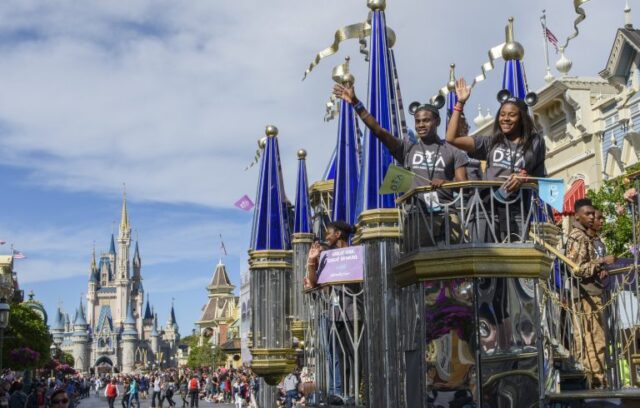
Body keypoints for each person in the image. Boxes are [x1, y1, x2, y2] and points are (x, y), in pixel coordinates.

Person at [333, 82, 468, 245]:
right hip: (417, 215)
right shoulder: (407, 148)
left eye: (426, 120)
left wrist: (445, 183)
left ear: (437, 121)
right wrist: (356, 103)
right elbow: (379, 131)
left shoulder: (452, 150)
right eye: (417, 121)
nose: (421, 125)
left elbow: (463, 183)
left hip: (447, 213)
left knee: (452, 263)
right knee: (418, 265)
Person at [446, 78, 546, 242]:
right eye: (502, 114)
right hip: (485, 207)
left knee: (514, 260)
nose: (505, 119)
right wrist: (460, 104)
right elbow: (451, 138)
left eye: (512, 115)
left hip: (517, 208)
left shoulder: (535, 143)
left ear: (522, 118)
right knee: (485, 258)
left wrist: (524, 177)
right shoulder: (490, 142)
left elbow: (541, 178)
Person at [566, 198, 616, 389]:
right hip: (585, 294)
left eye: (592, 214)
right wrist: (601, 261)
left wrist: (599, 265)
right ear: (577, 215)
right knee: (593, 340)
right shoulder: (577, 236)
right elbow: (576, 268)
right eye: (588, 214)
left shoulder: (587, 236)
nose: (592, 217)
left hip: (592, 292)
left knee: (596, 339)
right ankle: (595, 382)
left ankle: (597, 379)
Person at [304, 221, 355, 289]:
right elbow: (314, 282)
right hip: (332, 298)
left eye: (328, 234)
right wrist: (311, 259)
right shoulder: (327, 257)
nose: (326, 238)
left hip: (351, 298)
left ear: (337, 234)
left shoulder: (355, 254)